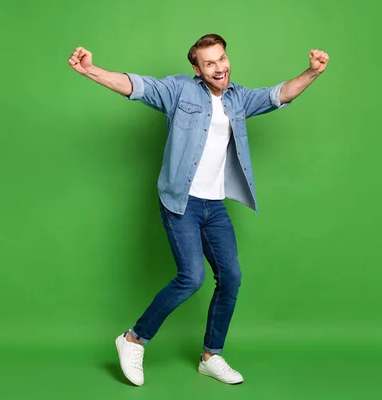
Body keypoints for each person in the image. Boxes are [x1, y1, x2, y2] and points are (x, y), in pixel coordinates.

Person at [67, 33, 329, 386]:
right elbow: (135, 85)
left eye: (222, 58)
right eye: (210, 63)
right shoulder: (179, 91)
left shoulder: (239, 99)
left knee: (231, 277)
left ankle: (211, 355)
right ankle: (133, 339)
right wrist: (90, 70)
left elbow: (279, 94)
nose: (219, 67)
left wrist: (312, 72)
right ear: (197, 69)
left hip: (214, 205)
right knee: (191, 277)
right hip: (180, 203)